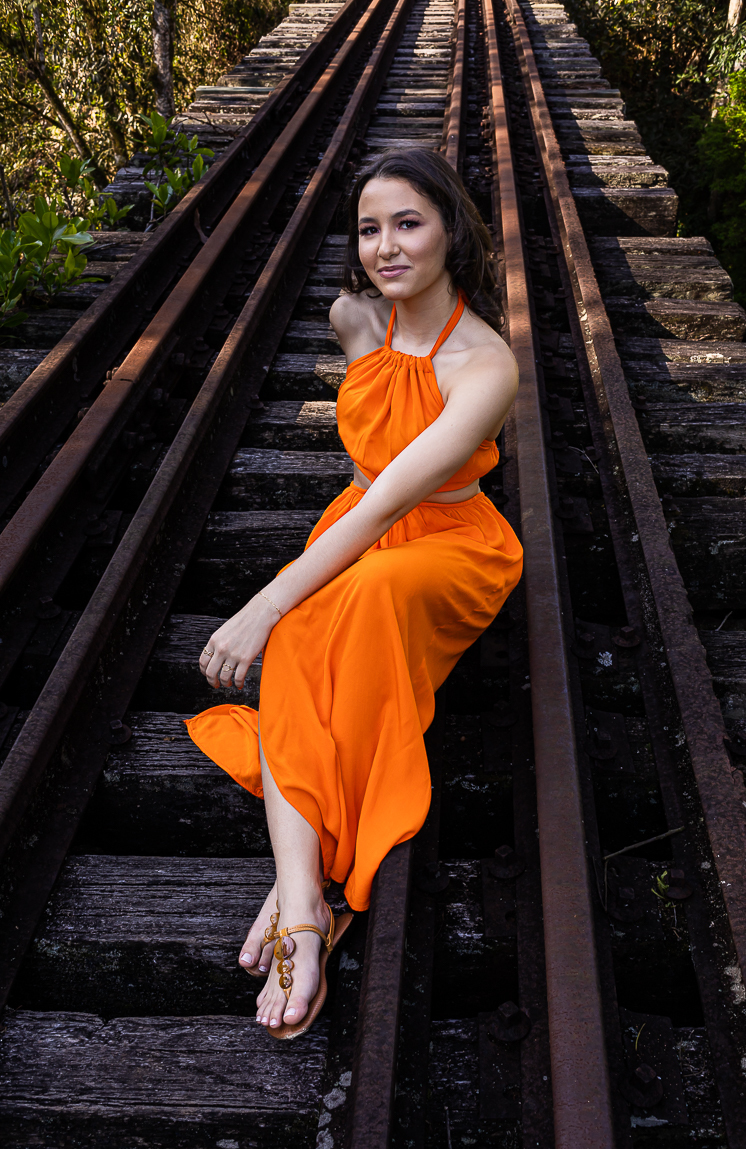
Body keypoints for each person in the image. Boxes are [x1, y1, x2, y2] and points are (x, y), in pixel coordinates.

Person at [186, 146, 524, 1040]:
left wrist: (261, 602)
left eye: (408, 223)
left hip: (446, 547)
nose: (386, 246)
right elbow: (365, 479)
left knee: (342, 598)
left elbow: (384, 510)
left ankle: (303, 885)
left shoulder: (485, 367)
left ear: (453, 230)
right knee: (308, 629)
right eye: (369, 228)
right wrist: (283, 609)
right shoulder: (355, 319)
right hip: (361, 527)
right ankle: (305, 900)